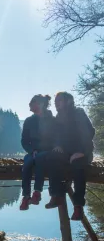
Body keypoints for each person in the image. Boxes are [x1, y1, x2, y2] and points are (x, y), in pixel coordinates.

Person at [45, 92, 95, 221]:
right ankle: (57, 196)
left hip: (83, 152)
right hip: (67, 153)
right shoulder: (58, 117)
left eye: (59, 100)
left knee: (78, 167)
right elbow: (55, 136)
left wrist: (81, 152)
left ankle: (78, 206)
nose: (56, 103)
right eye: (56, 101)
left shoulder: (78, 113)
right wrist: (57, 145)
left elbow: (89, 133)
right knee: (52, 158)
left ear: (68, 101)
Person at [20, 94, 56, 210]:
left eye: (32, 105)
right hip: (33, 152)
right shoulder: (29, 121)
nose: (30, 108)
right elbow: (24, 141)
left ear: (40, 104)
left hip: (48, 151)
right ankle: (26, 196)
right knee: (26, 165)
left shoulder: (52, 120)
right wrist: (32, 150)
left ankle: (37, 192)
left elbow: (57, 137)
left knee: (40, 158)